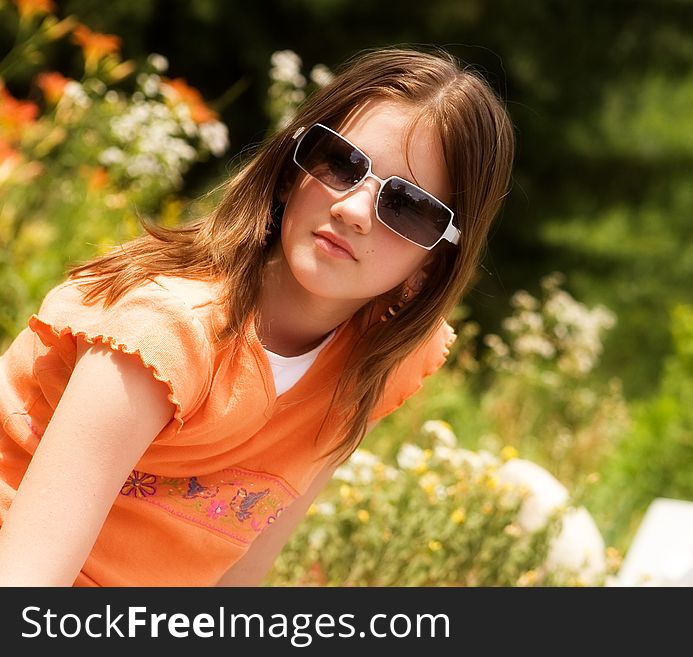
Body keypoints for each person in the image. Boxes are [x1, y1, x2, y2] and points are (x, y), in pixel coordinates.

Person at [0, 47, 515, 586]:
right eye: (340, 163)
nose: (352, 209)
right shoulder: (162, 335)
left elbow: (240, 577)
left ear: (437, 259)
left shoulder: (376, 359)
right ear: (293, 169)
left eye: (407, 206)